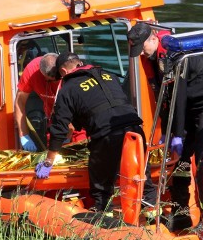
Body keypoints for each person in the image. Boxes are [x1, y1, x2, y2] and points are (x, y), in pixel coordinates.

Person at [127, 22, 203, 231]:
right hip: (188, 104)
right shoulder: (152, 57)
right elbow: (165, 97)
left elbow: (179, 95)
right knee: (179, 161)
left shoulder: (174, 55)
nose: (142, 55)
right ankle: (181, 212)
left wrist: (177, 136)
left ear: (153, 39)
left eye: (143, 49)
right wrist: (167, 132)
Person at [34, 52, 156, 213]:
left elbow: (59, 128)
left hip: (107, 136)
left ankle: (104, 217)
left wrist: (49, 161)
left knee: (101, 187)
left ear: (63, 71)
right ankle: (153, 215)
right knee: (142, 177)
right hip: (135, 130)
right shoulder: (107, 75)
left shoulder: (68, 88)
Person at [14, 53, 59, 151]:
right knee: (51, 147)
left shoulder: (68, 69)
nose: (53, 82)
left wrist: (68, 136)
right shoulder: (31, 71)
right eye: (49, 80)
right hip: (52, 116)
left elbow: (76, 104)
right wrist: (24, 135)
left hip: (73, 117)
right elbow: (19, 101)